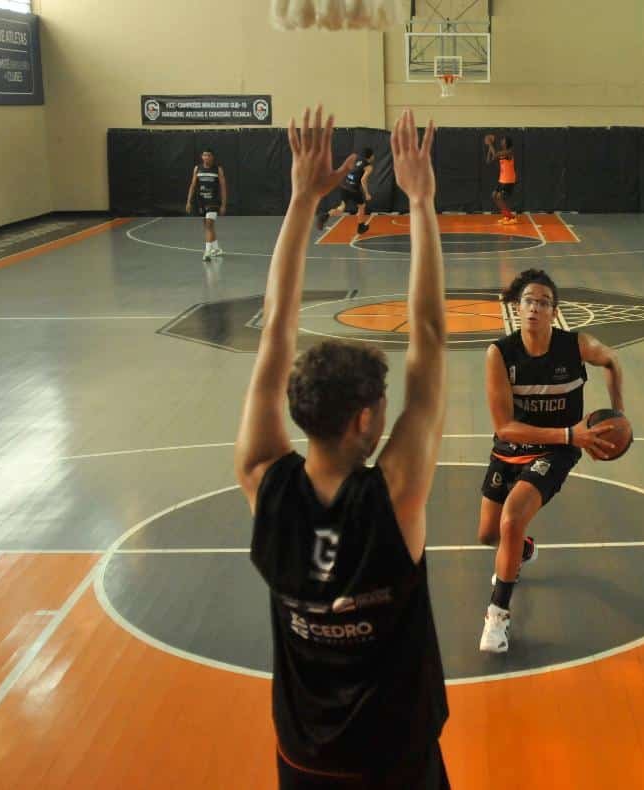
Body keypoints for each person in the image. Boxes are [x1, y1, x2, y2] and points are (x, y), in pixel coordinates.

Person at [235, 106, 449, 788]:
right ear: (364, 420)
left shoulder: (260, 481)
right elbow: (431, 337)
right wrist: (420, 201)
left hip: (303, 761)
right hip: (396, 761)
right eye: (381, 405)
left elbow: (275, 334)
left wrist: (302, 202)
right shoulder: (396, 497)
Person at [477, 268, 624, 653]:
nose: (534, 309)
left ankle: (497, 617)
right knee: (489, 535)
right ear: (517, 308)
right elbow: (505, 428)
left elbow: (611, 361)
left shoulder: (575, 346)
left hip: (557, 452)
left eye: (543, 303)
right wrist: (570, 433)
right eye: (528, 301)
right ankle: (521, 549)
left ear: (554, 312)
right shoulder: (500, 354)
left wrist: (617, 414)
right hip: (513, 446)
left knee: (511, 517)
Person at [316, 147, 376, 240]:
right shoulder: (369, 166)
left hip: (344, 185)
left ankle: (324, 216)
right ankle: (361, 227)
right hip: (354, 189)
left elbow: (349, 168)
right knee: (362, 206)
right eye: (373, 155)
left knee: (341, 208)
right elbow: (363, 180)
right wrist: (367, 194)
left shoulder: (355, 157)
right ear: (371, 156)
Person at [185, 148, 227, 261]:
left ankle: (207, 252)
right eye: (204, 155)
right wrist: (188, 201)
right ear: (201, 157)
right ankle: (217, 249)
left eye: (208, 155)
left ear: (212, 157)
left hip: (213, 202)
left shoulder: (218, 169)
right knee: (208, 227)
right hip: (201, 202)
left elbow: (223, 187)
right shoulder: (197, 168)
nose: (206, 157)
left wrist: (223, 204)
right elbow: (193, 186)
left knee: (208, 225)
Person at [484, 134, 517, 224]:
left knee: (500, 197)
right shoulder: (501, 152)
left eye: (503, 140)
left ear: (507, 143)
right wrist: (489, 148)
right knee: (494, 195)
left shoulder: (509, 152)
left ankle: (511, 217)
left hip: (509, 180)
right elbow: (488, 161)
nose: (501, 142)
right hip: (502, 179)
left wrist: (490, 143)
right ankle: (507, 216)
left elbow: (496, 154)